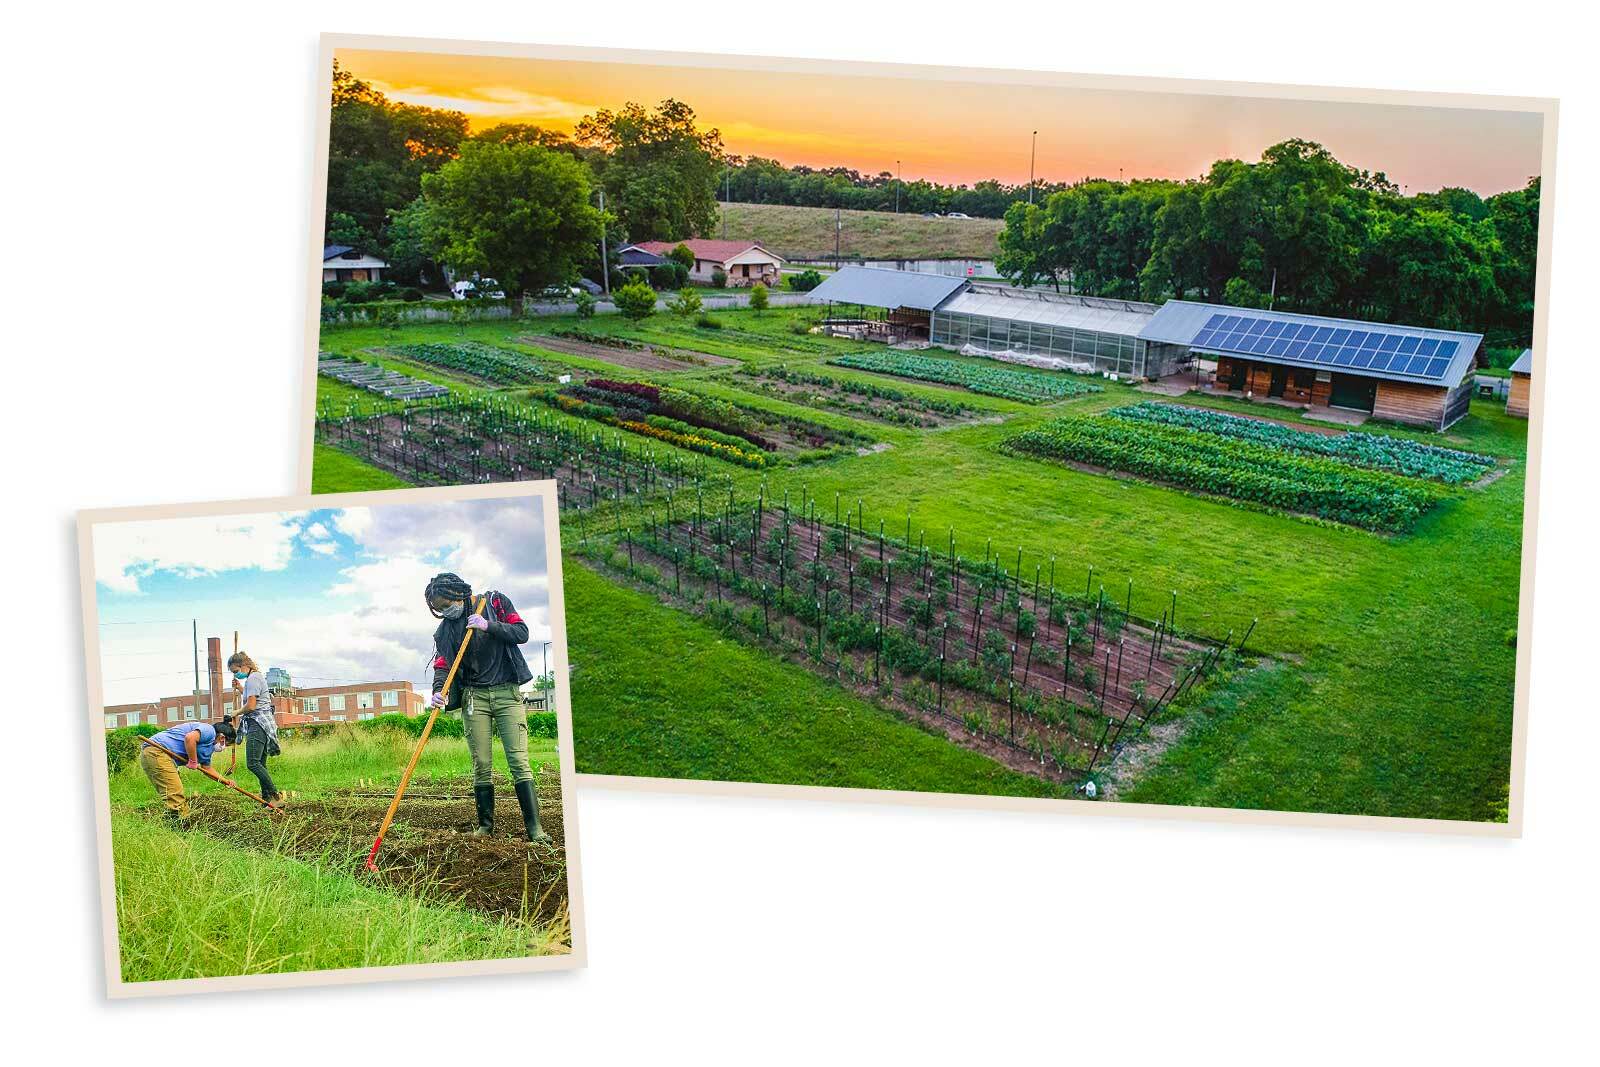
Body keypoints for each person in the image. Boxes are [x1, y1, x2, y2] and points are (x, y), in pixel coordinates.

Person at [424, 571, 552, 844]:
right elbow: (442, 665)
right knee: (481, 763)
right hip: (474, 699)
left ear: (458, 594)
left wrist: (488, 626)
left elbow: (522, 633)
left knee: (518, 761)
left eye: (447, 605)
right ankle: (485, 827)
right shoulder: (444, 631)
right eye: (440, 609)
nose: (445, 612)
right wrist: (438, 691)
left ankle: (535, 829)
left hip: (507, 693)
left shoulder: (494, 603)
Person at [138, 718, 237, 823]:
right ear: (222, 738)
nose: (224, 748)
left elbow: (207, 769)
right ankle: (184, 824)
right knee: (175, 793)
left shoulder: (208, 748)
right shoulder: (209, 730)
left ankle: (172, 821)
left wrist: (225, 781)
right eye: (226, 744)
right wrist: (193, 761)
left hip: (162, 756)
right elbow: (190, 738)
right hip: (157, 751)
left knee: (173, 791)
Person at [228, 651, 283, 805]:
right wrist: (240, 688)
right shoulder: (254, 678)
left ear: (244, 665)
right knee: (260, 763)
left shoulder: (253, 679)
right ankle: (267, 799)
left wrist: (237, 712)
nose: (235, 674)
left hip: (258, 723)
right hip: (263, 723)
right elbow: (253, 699)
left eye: (235, 671)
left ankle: (275, 796)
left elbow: (251, 706)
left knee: (253, 763)